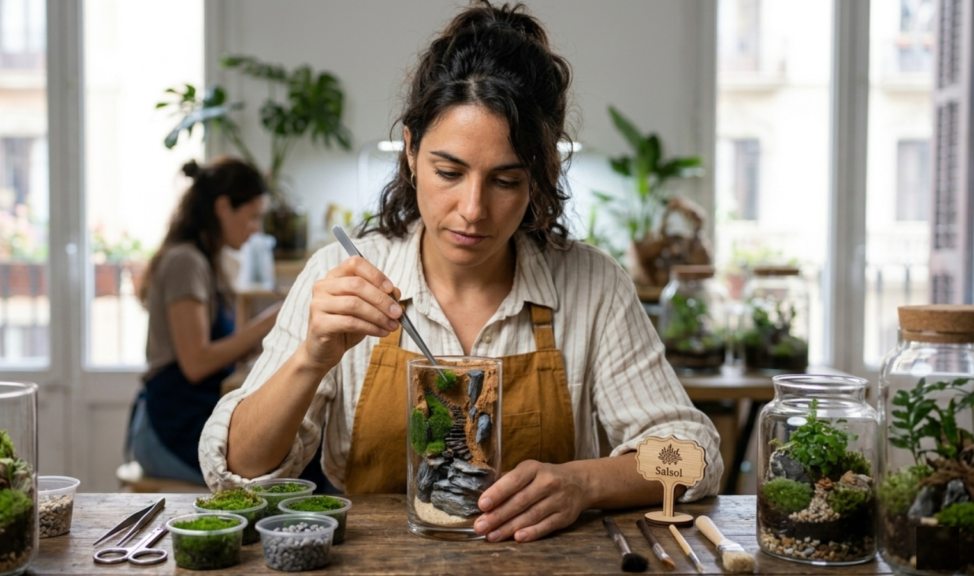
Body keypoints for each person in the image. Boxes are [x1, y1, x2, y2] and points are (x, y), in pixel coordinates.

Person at [200, 1, 722, 541]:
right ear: (409, 150)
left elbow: (692, 456)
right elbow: (236, 472)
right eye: (449, 171)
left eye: (505, 181)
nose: (473, 209)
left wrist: (585, 483)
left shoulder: (593, 286)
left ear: (541, 177)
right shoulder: (342, 270)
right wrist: (312, 358)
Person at [129, 156, 280, 484]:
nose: (255, 230)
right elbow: (196, 363)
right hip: (168, 427)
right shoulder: (186, 261)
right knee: (274, 473)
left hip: (180, 416)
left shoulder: (204, 260)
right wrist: (276, 316)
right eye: (253, 217)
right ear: (224, 207)